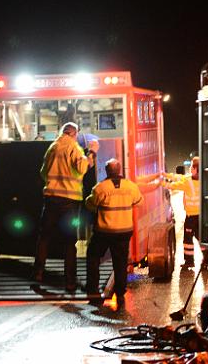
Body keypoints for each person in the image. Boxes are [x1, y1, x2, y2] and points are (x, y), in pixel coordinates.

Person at [34, 122, 98, 292]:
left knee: (44, 237)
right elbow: (83, 168)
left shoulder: (52, 148)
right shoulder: (74, 148)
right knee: (69, 241)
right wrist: (91, 153)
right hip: (70, 200)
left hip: (51, 198)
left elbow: (42, 172)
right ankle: (70, 281)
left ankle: (38, 273)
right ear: (74, 133)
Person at [84, 159, 143, 308]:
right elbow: (139, 201)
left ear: (106, 171)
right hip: (124, 231)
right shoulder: (131, 186)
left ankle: (94, 294)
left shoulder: (100, 188)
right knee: (120, 263)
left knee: (93, 258)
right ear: (119, 170)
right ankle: (120, 294)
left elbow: (90, 204)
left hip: (104, 231)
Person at [163, 157, 200, 265]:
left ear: (195, 168)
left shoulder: (188, 182)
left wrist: (161, 182)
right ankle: (205, 261)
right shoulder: (205, 179)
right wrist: (166, 175)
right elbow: (178, 177)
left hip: (191, 216)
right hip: (202, 216)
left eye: (191, 166)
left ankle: (189, 261)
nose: (189, 168)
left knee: (188, 240)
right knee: (202, 239)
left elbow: (173, 184)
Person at [166, 165, 187, 249]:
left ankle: (178, 242)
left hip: (174, 207)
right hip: (183, 208)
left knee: (177, 227)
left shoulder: (173, 182)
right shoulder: (185, 180)